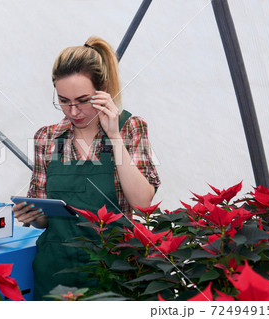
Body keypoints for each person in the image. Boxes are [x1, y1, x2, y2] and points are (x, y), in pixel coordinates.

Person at [13, 36, 160, 300]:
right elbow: (45, 218)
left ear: (102, 92)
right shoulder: (47, 137)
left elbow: (142, 202)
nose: (73, 111)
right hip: (56, 271)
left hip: (112, 267)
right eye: (63, 100)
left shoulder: (130, 128)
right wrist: (33, 215)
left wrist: (114, 137)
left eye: (82, 100)